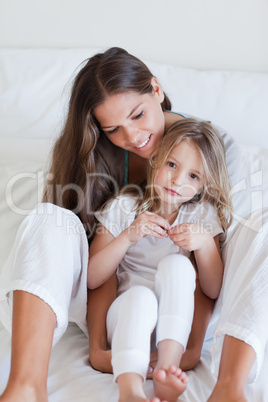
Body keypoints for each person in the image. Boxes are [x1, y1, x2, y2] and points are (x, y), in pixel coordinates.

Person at [0, 47, 266, 402]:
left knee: (261, 226)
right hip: (112, 298)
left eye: (138, 114)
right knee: (48, 217)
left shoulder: (213, 147)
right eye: (113, 129)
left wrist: (188, 351)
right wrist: (98, 348)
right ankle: (26, 386)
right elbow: (98, 269)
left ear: (156, 89)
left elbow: (212, 268)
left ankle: (229, 388)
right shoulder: (97, 155)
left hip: (189, 298)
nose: (133, 137)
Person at [87, 118, 233, 402]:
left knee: (178, 266)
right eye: (172, 165)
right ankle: (130, 391)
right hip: (128, 319)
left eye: (193, 176)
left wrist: (204, 244)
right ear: (155, 160)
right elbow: (93, 277)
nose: (178, 181)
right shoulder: (124, 206)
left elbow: (212, 288)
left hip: (174, 327)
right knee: (140, 296)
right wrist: (129, 235)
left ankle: (167, 369)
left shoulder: (203, 215)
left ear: (203, 186)